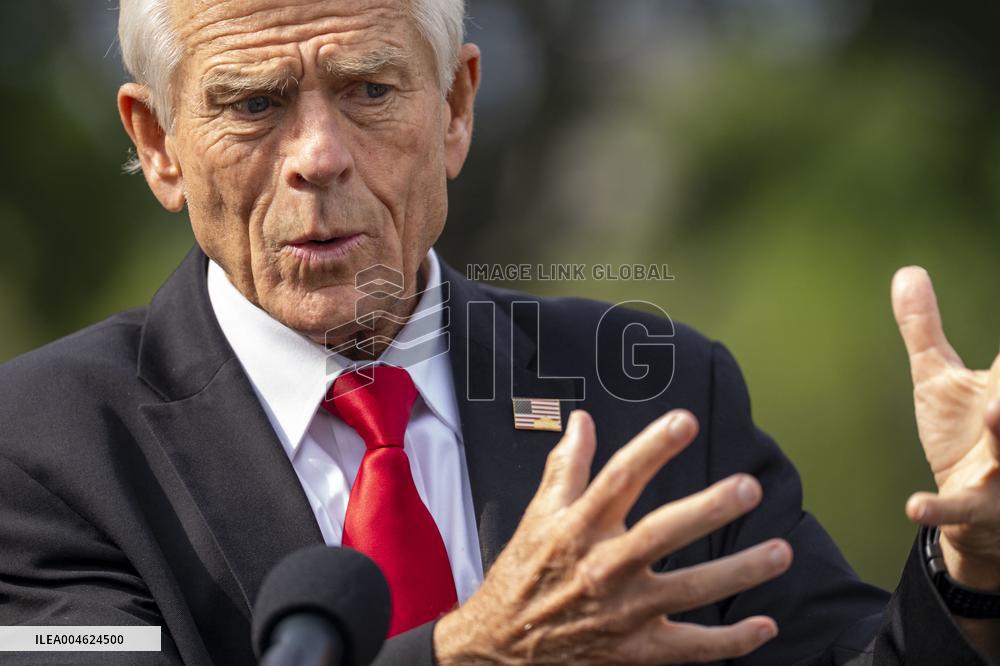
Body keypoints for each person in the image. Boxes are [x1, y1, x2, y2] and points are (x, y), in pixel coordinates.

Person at [1, 0, 999, 663]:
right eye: (254, 104)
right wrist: (469, 652)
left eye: (369, 91)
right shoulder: (45, 450)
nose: (318, 157)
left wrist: (970, 564)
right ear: (159, 144)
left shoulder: (649, 396)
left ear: (456, 109)